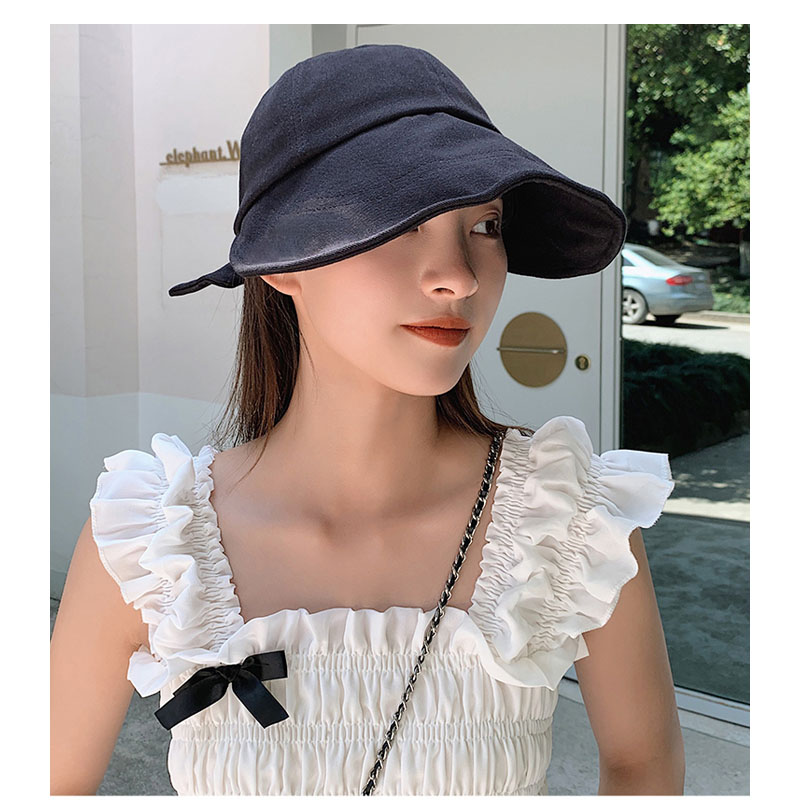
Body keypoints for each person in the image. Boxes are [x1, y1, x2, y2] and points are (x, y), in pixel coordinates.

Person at [50, 44, 685, 795]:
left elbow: (643, 765)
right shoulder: (154, 542)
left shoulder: (570, 522)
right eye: (401, 220)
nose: (458, 276)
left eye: (485, 225)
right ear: (282, 262)